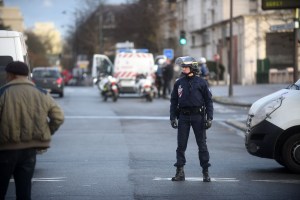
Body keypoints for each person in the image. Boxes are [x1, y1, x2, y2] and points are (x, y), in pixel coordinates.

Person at [0, 61, 64, 200]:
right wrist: (47, 131)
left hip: (5, 150)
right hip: (30, 150)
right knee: (24, 192)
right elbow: (58, 117)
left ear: (11, 75)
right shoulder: (41, 93)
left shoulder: (3, 93)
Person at [169, 56, 213, 182]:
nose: (183, 69)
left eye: (186, 67)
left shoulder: (202, 82)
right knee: (181, 146)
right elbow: (174, 100)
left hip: (198, 117)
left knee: (202, 145)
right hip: (183, 116)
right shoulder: (179, 82)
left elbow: (209, 101)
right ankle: (180, 172)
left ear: (193, 67)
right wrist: (172, 117)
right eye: (182, 67)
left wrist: (209, 118)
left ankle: (205, 171)